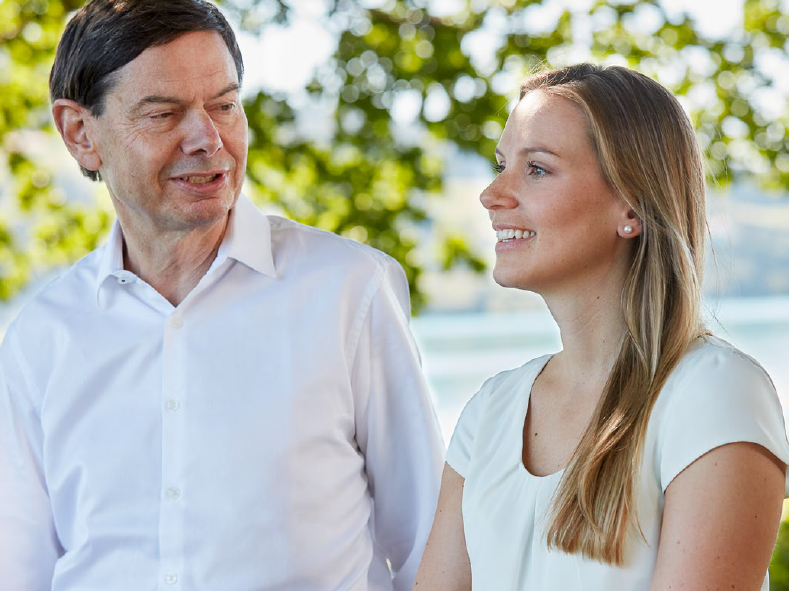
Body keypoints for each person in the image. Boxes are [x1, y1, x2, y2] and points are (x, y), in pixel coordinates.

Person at [0, 1, 444, 590]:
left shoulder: (349, 290)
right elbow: (21, 571)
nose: (208, 139)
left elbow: (433, 548)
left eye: (225, 105)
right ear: (81, 134)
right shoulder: (41, 337)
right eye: (163, 114)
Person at [413, 63, 789, 590]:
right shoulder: (491, 410)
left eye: (536, 169)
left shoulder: (714, 393)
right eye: (502, 164)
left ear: (631, 206)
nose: (492, 193)